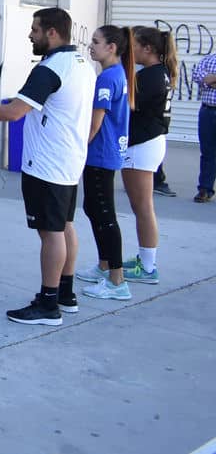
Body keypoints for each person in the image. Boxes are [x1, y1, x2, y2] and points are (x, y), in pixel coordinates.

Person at [0, 7, 94, 326]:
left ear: (52, 32)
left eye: (35, 29)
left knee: (50, 233)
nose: (30, 35)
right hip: (69, 161)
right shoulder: (82, 64)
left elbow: (14, 113)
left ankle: (49, 304)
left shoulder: (50, 69)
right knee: (64, 226)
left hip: (47, 164)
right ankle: (65, 293)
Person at [76, 26, 134, 301]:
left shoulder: (108, 78)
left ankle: (117, 280)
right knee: (93, 208)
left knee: (105, 215)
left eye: (96, 42)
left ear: (111, 47)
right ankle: (104, 265)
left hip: (100, 155)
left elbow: (95, 123)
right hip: (104, 154)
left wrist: (78, 147)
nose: (91, 46)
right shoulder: (117, 73)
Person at [119, 26, 178, 285]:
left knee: (142, 207)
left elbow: (126, 107)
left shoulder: (151, 77)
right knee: (141, 207)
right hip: (148, 142)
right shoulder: (157, 73)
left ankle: (148, 266)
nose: (130, 52)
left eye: (134, 47)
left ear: (148, 49)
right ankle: (145, 258)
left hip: (142, 145)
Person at [192, 50, 216, 203]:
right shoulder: (208, 59)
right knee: (208, 152)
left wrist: (210, 79)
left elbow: (205, 79)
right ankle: (205, 189)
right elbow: (197, 76)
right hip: (207, 111)